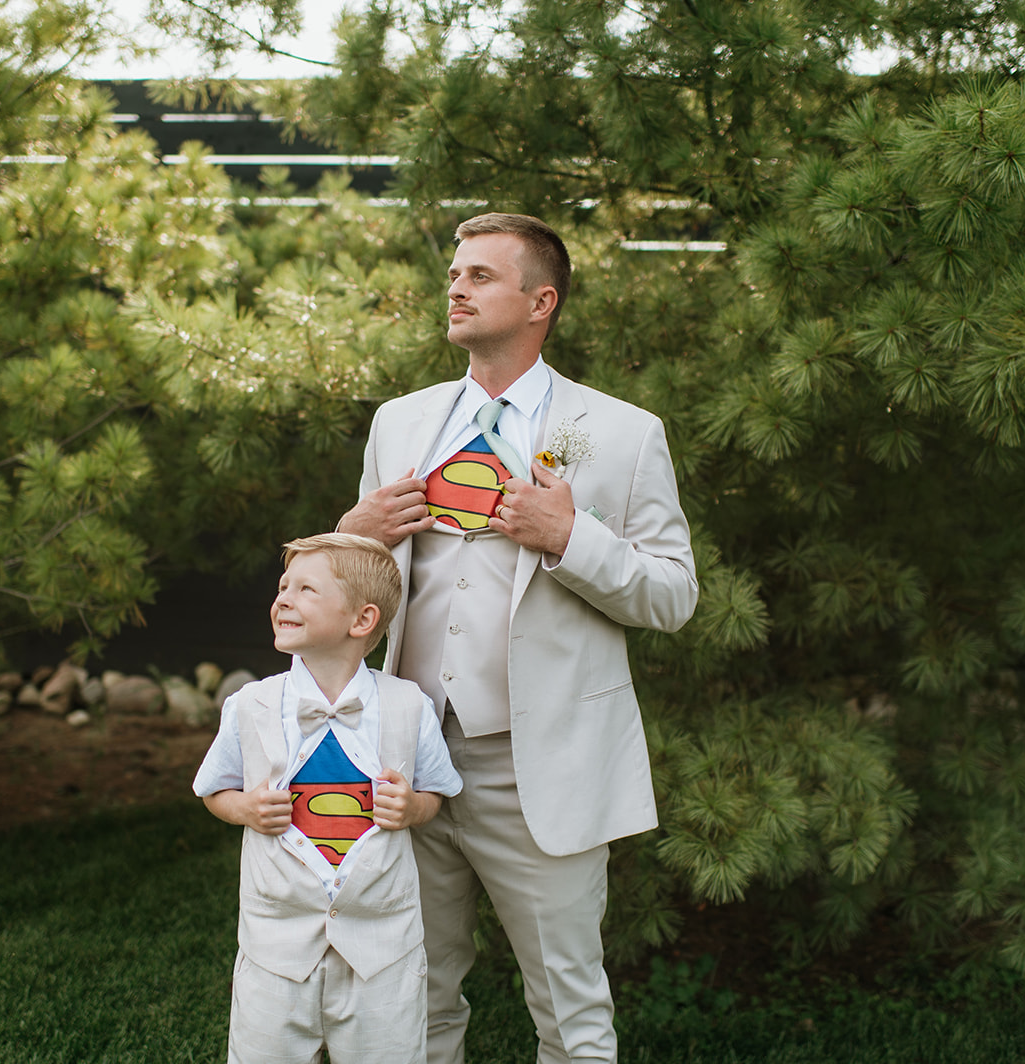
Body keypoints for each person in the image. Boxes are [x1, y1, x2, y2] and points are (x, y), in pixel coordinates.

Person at [337, 212, 698, 1064]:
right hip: (405, 753)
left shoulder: (622, 432)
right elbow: (356, 589)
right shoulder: (401, 421)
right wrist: (356, 530)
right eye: (455, 274)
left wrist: (571, 540)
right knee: (408, 993)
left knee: (569, 1011)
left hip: (538, 762)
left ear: (542, 301)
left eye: (480, 276)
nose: (455, 288)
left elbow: (675, 596)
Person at [193, 532, 464, 1064]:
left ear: (361, 621)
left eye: (306, 589)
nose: (284, 598)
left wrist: (412, 808)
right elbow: (214, 790)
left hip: (381, 950)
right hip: (276, 946)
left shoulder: (408, 705)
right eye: (282, 586)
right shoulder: (251, 705)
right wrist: (244, 807)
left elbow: (435, 791)